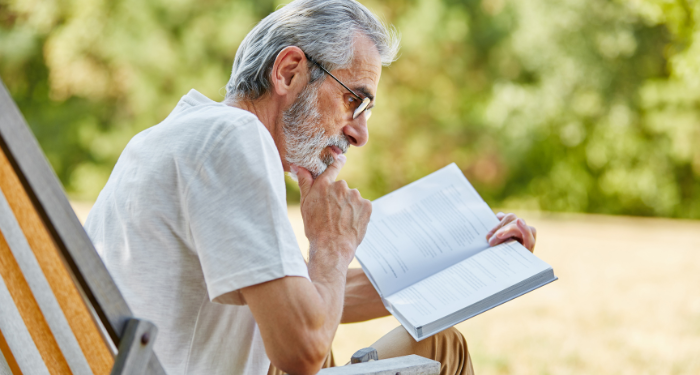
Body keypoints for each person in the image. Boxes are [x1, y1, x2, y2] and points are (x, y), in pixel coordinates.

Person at [85, 0, 538, 374]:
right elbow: (301, 348)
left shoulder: (185, 133)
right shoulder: (234, 138)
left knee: (431, 338)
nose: (360, 133)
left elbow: (297, 297)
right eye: (353, 100)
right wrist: (332, 243)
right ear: (288, 72)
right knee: (440, 351)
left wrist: (469, 256)